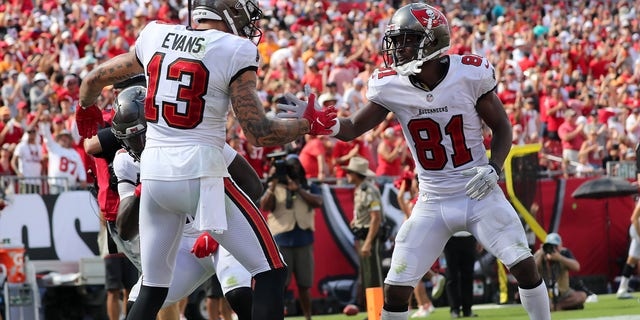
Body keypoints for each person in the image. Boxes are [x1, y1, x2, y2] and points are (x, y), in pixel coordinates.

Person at [278, 3, 551, 319]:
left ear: (432, 40)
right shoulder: (390, 84)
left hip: (479, 192)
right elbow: (352, 128)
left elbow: (502, 126)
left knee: (524, 264)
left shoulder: (469, 74)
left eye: (407, 39)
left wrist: (495, 166)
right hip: (433, 200)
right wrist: (325, 124)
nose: (398, 48)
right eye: (396, 40)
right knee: (396, 288)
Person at [78, 1, 336, 318]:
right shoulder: (234, 48)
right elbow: (259, 133)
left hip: (156, 177)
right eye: (242, 13)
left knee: (152, 289)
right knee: (271, 270)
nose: (248, 22)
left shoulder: (156, 34)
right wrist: (308, 124)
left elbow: (92, 80)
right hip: (201, 173)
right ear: (227, 12)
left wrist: (86, 107)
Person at [107, 86, 253, 320]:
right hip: (183, 245)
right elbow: (125, 229)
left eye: (141, 134)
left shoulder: (191, 136)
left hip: (222, 231)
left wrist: (215, 230)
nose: (137, 144)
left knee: (239, 294)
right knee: (138, 304)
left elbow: (252, 186)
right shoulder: (125, 161)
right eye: (130, 138)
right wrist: (144, 187)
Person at [260, 153, 323, 320]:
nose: (292, 169)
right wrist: (272, 185)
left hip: (304, 239)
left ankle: (308, 316)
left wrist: (298, 189)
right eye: (289, 166)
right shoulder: (275, 186)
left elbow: (319, 202)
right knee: (281, 285)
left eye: (295, 166)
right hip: (281, 239)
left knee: (305, 284)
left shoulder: (307, 185)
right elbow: (265, 206)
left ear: (300, 168)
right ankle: (277, 316)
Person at [344, 156, 384, 309]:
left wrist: (367, 243)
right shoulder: (360, 189)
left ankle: (380, 312)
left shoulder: (368, 190)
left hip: (370, 236)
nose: (347, 175)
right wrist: (356, 220)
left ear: (355, 174)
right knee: (368, 275)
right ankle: (373, 311)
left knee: (374, 276)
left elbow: (376, 218)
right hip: (364, 234)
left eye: (349, 173)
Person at [534, 233, 587, 311]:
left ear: (560, 246)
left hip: (564, 293)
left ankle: (558, 306)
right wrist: (541, 254)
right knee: (541, 303)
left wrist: (560, 258)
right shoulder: (540, 254)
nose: (553, 249)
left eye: (555, 246)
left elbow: (577, 267)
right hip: (546, 294)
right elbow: (531, 270)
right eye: (550, 246)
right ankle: (560, 307)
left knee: (582, 296)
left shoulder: (564, 253)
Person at [616, 147, 640, 299]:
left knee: (631, 259)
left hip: (637, 229)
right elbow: (633, 218)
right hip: (637, 228)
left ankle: (622, 289)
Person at [443, 232, 478, 318]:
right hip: (451, 237)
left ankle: (467, 309)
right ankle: (455, 309)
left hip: (469, 236)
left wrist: (479, 239)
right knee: (452, 276)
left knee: (468, 275)